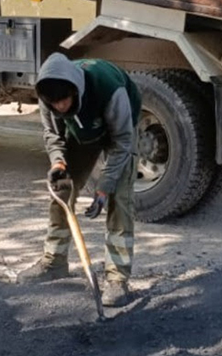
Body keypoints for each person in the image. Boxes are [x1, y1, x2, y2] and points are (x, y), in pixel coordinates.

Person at [16, 52, 142, 306]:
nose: (60, 107)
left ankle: (117, 279)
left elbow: (122, 142)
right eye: (54, 104)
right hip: (82, 132)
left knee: (119, 201)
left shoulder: (109, 89)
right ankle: (54, 262)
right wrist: (58, 162)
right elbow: (53, 134)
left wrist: (104, 188)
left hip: (120, 133)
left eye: (64, 101)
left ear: (75, 91)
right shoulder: (48, 96)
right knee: (61, 192)